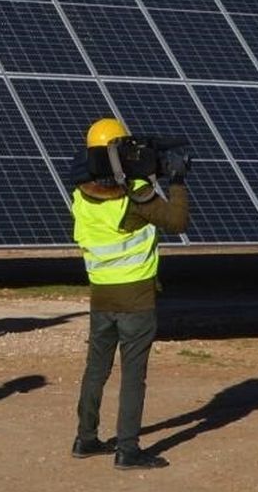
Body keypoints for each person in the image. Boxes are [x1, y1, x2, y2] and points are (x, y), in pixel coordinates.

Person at [69, 117, 190, 470]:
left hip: (101, 296)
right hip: (135, 299)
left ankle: (85, 438)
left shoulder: (80, 195)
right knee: (133, 374)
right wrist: (177, 180)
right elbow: (177, 220)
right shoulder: (135, 195)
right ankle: (128, 449)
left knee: (96, 370)